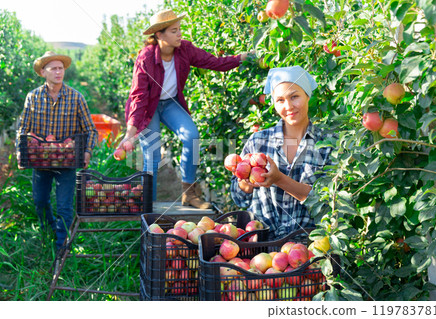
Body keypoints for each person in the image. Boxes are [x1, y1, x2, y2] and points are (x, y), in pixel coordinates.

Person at [119, 9, 253, 209]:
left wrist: (241, 57)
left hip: (170, 102)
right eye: (174, 31)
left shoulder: (185, 50)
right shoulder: (146, 57)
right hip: (148, 107)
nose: (179, 34)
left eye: (179, 29)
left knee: (192, 136)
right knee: (152, 155)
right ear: (159, 35)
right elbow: (138, 97)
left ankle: (189, 194)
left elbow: (214, 63)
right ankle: (149, 206)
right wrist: (130, 134)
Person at [230, 66, 335, 240]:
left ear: (307, 96)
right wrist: (246, 182)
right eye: (280, 100)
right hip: (261, 251)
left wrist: (280, 179)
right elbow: (239, 197)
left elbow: (327, 204)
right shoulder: (258, 142)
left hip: (312, 251)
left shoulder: (328, 144)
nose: (288, 106)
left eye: (294, 97)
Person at [16, 51, 98, 252]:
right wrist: (21, 150)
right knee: (40, 201)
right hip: (40, 160)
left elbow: (90, 130)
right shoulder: (33, 97)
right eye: (53, 68)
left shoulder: (76, 98)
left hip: (66, 161)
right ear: (43, 72)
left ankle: (62, 247)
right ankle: (49, 229)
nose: (58, 72)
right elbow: (23, 129)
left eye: (61, 68)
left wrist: (87, 151)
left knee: (64, 206)